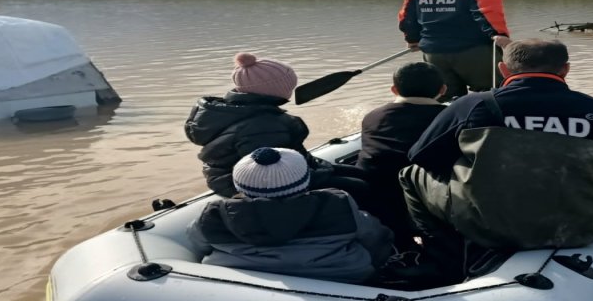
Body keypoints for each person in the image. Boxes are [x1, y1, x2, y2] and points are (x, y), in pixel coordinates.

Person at [400, 39, 593, 280]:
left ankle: (440, 255)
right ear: (566, 69)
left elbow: (422, 158)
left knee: (410, 174)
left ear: (504, 69)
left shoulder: (473, 105)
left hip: (488, 225)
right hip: (582, 227)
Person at [187, 147, 394, 284]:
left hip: (244, 284)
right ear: (305, 181)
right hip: (343, 279)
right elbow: (375, 237)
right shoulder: (337, 204)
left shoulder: (214, 215)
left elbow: (197, 245)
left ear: (238, 184)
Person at [185, 52, 368, 198]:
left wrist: (323, 167)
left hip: (235, 173)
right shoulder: (265, 126)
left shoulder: (235, 110)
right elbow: (274, 174)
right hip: (251, 183)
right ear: (274, 90)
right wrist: (322, 173)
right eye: (289, 86)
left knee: (360, 174)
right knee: (360, 187)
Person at [399, 0, 511, 100]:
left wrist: (412, 39)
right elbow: (487, 11)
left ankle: (450, 124)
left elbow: (406, 15)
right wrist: (498, 35)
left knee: (445, 98)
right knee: (495, 95)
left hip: (433, 52)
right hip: (474, 50)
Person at [355, 62, 448, 245]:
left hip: (376, 198)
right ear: (443, 89)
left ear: (394, 89)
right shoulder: (448, 118)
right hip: (425, 202)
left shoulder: (373, 116)